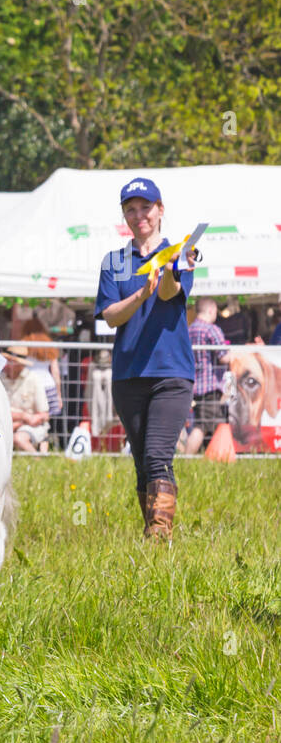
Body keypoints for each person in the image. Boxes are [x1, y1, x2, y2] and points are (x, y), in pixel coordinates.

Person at [94, 177, 198, 539]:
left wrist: (167, 272)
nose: (139, 216)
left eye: (146, 208)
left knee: (157, 454)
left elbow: (171, 293)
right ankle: (151, 535)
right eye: (131, 210)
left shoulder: (180, 253)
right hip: (128, 374)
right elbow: (109, 316)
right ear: (125, 215)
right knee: (141, 460)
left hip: (172, 373)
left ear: (160, 211)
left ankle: (159, 536)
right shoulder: (114, 261)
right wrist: (141, 294)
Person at [185, 298, 229, 454]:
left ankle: (214, 456)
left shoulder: (188, 330)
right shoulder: (212, 329)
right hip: (210, 386)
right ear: (211, 310)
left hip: (194, 385)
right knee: (201, 427)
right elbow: (224, 357)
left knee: (214, 423)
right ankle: (186, 459)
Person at [0, 345, 50, 453]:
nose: (6, 364)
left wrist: (21, 422)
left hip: (27, 426)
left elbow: (43, 414)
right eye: (7, 360)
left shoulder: (33, 379)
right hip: (6, 424)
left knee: (19, 439)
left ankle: (37, 460)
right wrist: (23, 416)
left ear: (20, 365)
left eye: (11, 361)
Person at [21, 325, 64, 447]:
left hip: (30, 385)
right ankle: (43, 449)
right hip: (48, 385)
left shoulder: (25, 344)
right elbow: (56, 373)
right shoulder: (50, 346)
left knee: (31, 418)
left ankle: (29, 446)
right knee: (45, 422)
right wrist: (58, 395)